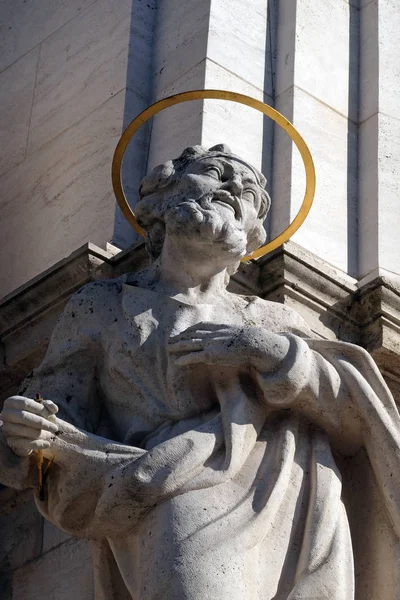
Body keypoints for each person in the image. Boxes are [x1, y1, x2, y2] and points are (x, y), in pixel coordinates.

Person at [1, 144, 400, 600]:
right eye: (215, 172)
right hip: (171, 493)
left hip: (290, 493)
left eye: (248, 193)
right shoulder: (102, 307)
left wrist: (271, 353)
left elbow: (357, 420)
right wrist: (20, 432)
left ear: (251, 235)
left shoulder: (272, 321)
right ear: (160, 201)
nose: (233, 189)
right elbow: (54, 416)